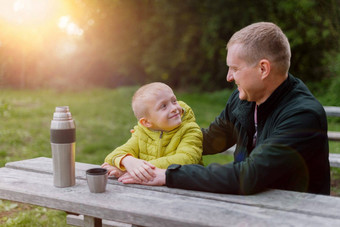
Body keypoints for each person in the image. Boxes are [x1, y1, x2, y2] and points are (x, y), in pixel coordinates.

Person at [118, 22, 331, 195]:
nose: (229, 77)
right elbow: (210, 140)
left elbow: (250, 175)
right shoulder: (243, 99)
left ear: (263, 68)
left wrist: (168, 175)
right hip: (252, 206)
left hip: (295, 215)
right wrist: (154, 139)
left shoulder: (302, 115)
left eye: (235, 69)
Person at [102, 82, 203, 182]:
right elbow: (112, 156)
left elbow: (186, 159)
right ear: (146, 122)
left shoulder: (190, 130)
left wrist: (138, 170)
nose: (174, 108)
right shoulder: (141, 133)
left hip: (186, 188)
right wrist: (128, 162)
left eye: (174, 101)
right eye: (163, 106)